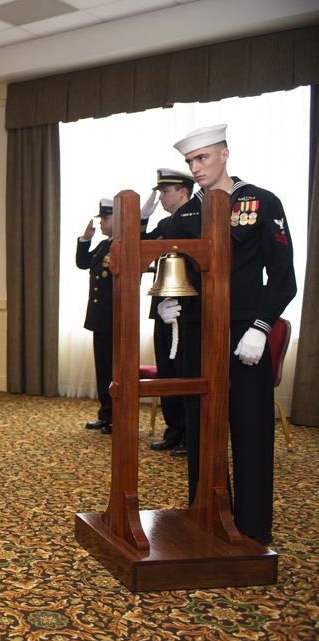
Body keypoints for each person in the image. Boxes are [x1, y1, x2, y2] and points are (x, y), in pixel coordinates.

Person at [161, 124, 297, 546]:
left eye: (202, 158)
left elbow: (283, 277)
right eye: (189, 162)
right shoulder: (183, 216)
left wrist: (261, 327)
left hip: (245, 335)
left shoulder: (260, 202)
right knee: (202, 427)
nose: (195, 168)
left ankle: (253, 527)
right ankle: (206, 514)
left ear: (224, 154)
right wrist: (168, 307)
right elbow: (173, 269)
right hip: (199, 332)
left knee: (251, 428)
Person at [142, 168, 193, 455]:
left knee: (186, 373)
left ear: (183, 190)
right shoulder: (164, 223)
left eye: (165, 191)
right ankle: (174, 431)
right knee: (167, 374)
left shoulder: (198, 219)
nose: (160, 196)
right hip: (161, 307)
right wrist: (141, 219)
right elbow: (141, 248)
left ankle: (190, 434)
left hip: (186, 310)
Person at [76, 199, 114, 435]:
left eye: (106, 218)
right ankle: (105, 414)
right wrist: (86, 239)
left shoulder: (124, 245)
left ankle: (116, 417)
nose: (101, 222)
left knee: (114, 371)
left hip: (115, 319)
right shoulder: (103, 245)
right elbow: (82, 263)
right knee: (102, 369)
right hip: (99, 318)